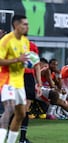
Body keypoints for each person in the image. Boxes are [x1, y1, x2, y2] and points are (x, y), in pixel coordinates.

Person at [0, 15, 30, 143]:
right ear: (16, 25)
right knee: (9, 109)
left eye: (27, 24)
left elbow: (24, 60)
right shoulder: (6, 40)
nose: (27, 27)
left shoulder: (25, 41)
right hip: (7, 80)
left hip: (19, 82)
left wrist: (29, 63)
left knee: (21, 114)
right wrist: (17, 59)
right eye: (24, 24)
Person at [19, 41, 42, 143]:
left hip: (28, 78)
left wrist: (39, 85)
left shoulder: (32, 46)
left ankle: (22, 138)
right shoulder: (9, 43)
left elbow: (37, 66)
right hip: (14, 77)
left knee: (26, 108)